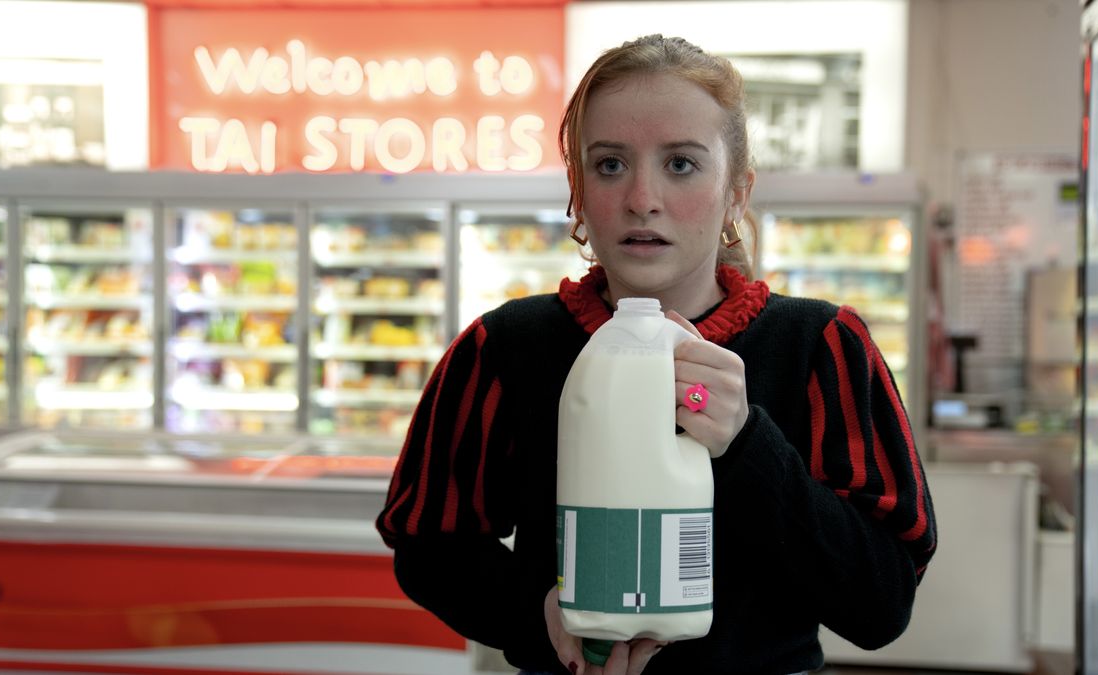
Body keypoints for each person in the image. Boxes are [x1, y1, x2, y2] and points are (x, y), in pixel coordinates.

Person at [377, 34, 937, 675]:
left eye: (681, 164)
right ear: (578, 189)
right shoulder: (503, 347)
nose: (642, 198)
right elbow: (426, 547)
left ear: (737, 193)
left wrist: (749, 442)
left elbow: (881, 604)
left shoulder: (823, 348)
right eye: (610, 164)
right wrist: (536, 615)